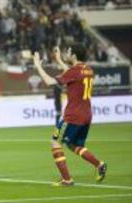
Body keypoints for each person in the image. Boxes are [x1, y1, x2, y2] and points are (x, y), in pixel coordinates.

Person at [33, 44, 107, 186]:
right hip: (87, 115)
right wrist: (60, 60)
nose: (67, 52)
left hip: (73, 115)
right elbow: (72, 75)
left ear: (73, 55)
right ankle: (99, 164)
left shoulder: (74, 71)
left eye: (68, 51)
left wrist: (38, 66)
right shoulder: (88, 70)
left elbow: (50, 81)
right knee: (74, 145)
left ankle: (67, 179)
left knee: (55, 143)